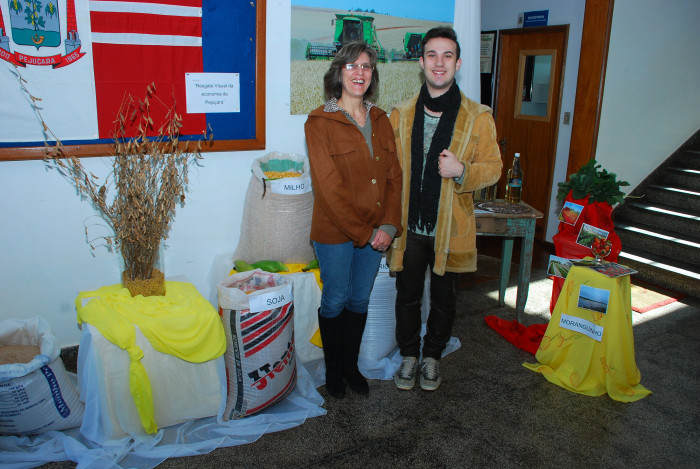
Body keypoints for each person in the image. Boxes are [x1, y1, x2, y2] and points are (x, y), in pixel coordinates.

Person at [388, 27, 502, 392]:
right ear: (421, 62)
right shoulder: (401, 114)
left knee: (443, 300)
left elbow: (494, 168)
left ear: (458, 63)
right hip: (409, 227)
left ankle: (432, 358)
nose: (439, 63)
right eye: (432, 55)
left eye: (447, 56)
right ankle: (409, 356)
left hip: (449, 227)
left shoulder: (478, 116)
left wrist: (463, 171)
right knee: (406, 297)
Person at [304, 43, 403, 399]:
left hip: (376, 232)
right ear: (338, 73)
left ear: (372, 74)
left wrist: (389, 226)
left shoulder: (380, 120)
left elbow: (394, 177)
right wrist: (365, 233)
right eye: (351, 65)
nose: (359, 72)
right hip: (335, 232)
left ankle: (350, 366)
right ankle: (333, 369)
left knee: (359, 300)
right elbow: (328, 189)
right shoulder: (319, 122)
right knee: (336, 299)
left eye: (366, 66)